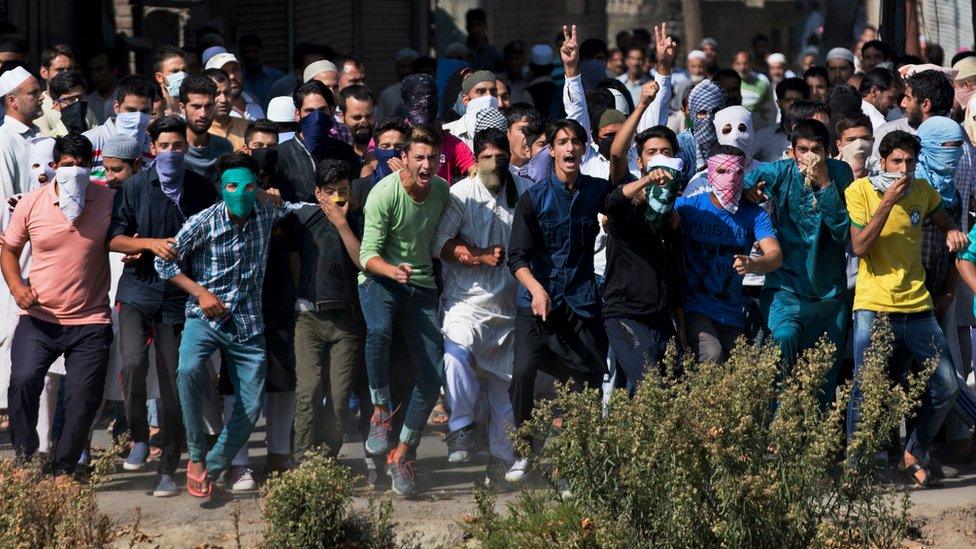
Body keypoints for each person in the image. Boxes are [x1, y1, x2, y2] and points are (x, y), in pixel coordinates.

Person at [153, 152, 303, 497]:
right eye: (232, 186)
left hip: (248, 322)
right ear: (221, 188)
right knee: (189, 369)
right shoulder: (202, 222)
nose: (241, 194)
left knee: (251, 405)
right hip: (205, 317)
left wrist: (275, 194)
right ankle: (195, 454)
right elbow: (165, 266)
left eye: (249, 187)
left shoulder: (267, 210)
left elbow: (293, 207)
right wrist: (200, 292)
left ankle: (214, 463)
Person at [845, 130, 966, 488]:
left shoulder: (923, 192)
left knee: (946, 385)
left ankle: (913, 452)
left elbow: (946, 222)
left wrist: (951, 233)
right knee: (865, 389)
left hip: (917, 305)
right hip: (873, 305)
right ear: (882, 162)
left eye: (910, 162)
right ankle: (856, 466)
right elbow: (860, 247)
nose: (903, 169)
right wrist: (887, 203)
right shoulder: (860, 192)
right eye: (896, 161)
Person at [107, 115, 218, 496]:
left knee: (175, 380)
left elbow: (213, 235)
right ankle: (139, 436)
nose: (171, 153)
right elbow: (115, 238)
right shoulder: (135, 186)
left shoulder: (202, 189)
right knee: (134, 364)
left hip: (178, 297)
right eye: (164, 147)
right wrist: (148, 244)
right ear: (151, 150)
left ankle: (170, 463)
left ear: (186, 148)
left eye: (177, 146)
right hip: (138, 292)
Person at [2, 133, 115, 475]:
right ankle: (25, 457)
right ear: (54, 167)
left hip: (91, 320)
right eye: (67, 167)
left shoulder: (109, 200)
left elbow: (124, 236)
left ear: (91, 167)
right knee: (22, 381)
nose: (74, 173)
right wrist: (17, 286)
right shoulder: (32, 203)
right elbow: (9, 249)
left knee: (82, 399)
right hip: (39, 317)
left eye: (82, 167)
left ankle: (65, 467)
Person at [506, 118, 610, 482]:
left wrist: (646, 183)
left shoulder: (595, 191)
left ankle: (573, 466)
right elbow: (516, 258)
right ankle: (522, 449)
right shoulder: (532, 199)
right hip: (534, 303)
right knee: (521, 372)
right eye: (562, 142)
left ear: (583, 150)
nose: (570, 148)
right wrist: (535, 289)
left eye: (576, 142)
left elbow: (623, 195)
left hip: (580, 301)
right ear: (551, 150)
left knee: (588, 381)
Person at [432, 128, 533, 485]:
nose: (495, 164)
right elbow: (440, 244)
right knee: (455, 352)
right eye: (487, 157)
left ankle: (501, 460)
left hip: (509, 303)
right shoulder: (460, 194)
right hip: (466, 300)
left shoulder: (522, 191)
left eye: (500, 156)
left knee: (504, 388)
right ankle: (461, 425)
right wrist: (475, 256)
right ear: (475, 159)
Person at [358, 124, 449, 496]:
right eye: (419, 158)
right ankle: (380, 412)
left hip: (422, 286)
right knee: (378, 331)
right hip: (381, 279)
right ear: (405, 160)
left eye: (433, 158)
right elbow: (366, 256)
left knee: (433, 375)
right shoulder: (383, 194)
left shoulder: (442, 191)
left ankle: (403, 453)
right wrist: (393, 271)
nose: (426, 165)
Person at [743, 119, 854, 406]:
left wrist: (825, 184)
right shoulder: (781, 171)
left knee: (825, 378)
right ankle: (771, 433)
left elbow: (843, 231)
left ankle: (815, 445)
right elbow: (744, 178)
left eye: (816, 149)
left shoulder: (841, 174)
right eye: (802, 149)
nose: (809, 156)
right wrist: (749, 192)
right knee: (782, 339)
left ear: (828, 152)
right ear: (792, 152)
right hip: (786, 287)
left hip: (830, 293)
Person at [677, 145, 781, 362]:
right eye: (723, 171)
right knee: (712, 355)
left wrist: (753, 264)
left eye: (738, 172)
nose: (731, 178)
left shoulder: (754, 215)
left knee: (740, 370)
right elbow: (657, 212)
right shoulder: (690, 207)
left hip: (731, 312)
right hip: (695, 307)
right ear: (709, 174)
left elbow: (775, 255)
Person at [292, 158, 365, 461]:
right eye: (330, 191)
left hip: (345, 321)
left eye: (343, 191)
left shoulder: (357, 219)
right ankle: (303, 461)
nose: (337, 198)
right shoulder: (303, 218)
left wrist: (342, 224)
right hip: (308, 317)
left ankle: (326, 460)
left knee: (338, 397)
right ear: (318, 192)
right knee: (308, 393)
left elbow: (363, 260)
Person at [276, 80, 361, 202]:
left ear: (331, 111)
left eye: (322, 110)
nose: (316, 117)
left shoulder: (344, 151)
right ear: (297, 114)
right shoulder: (282, 155)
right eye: (309, 111)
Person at [400, 73, 476, 184]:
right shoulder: (393, 136)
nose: (425, 102)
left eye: (431, 97)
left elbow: (473, 169)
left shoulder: (450, 141)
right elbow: (371, 165)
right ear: (407, 101)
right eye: (419, 96)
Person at [82, 74, 155, 185]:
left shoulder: (152, 147)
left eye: (144, 111)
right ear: (117, 107)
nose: (138, 117)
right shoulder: (90, 142)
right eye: (131, 110)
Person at [178, 74, 234, 183]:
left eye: (208, 106)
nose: (203, 114)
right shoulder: (172, 148)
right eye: (196, 107)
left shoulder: (224, 148)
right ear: (182, 108)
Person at [754, 77, 810, 161]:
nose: (792, 104)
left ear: (806, 103)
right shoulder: (763, 136)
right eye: (787, 100)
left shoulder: (816, 135)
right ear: (779, 103)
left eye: (797, 100)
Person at [442, 70, 499, 149]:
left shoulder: (507, 133)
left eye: (493, 92)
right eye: (481, 91)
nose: (489, 97)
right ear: (466, 99)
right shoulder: (447, 132)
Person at [204, 52, 264, 121]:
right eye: (224, 72)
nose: (232, 76)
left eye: (235, 69)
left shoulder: (254, 102)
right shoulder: (208, 116)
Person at [203, 68, 247, 151]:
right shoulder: (197, 132)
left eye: (227, 93)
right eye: (216, 94)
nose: (223, 100)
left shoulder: (247, 127)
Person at [238, 33, 284, 109]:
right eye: (247, 52)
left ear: (262, 52)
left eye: (255, 51)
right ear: (242, 55)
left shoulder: (277, 78)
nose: (251, 56)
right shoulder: (238, 82)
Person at [732, 51, 775, 128]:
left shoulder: (762, 81)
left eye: (745, 63)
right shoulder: (727, 82)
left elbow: (769, 109)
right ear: (733, 65)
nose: (742, 67)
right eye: (738, 63)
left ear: (751, 64)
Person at [375, 48, 419, 122]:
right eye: (403, 66)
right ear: (397, 68)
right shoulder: (387, 94)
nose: (407, 70)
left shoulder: (427, 94)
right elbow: (380, 122)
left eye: (410, 66)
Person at [339, 85, 375, 163]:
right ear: (342, 117)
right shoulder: (336, 153)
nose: (364, 123)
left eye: (369, 116)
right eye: (357, 117)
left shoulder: (385, 147)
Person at [834, 112, 874, 178]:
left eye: (864, 138)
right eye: (851, 140)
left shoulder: (883, 172)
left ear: (873, 141)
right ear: (839, 145)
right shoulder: (828, 172)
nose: (859, 144)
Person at [152, 46, 187, 118]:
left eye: (184, 70)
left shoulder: (194, 111)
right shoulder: (154, 114)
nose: (182, 75)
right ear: (159, 77)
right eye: (174, 71)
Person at [85, 51, 119, 124]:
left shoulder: (126, 98)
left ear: (114, 70)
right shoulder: (89, 102)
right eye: (92, 71)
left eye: (99, 70)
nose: (94, 76)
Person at [465, 8, 503, 72]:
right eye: (472, 26)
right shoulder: (461, 53)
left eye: (479, 25)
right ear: (467, 28)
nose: (476, 29)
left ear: (485, 26)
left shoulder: (494, 54)